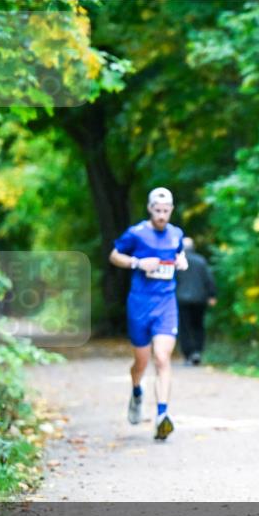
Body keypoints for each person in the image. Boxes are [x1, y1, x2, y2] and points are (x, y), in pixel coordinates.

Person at [109, 187, 188, 441]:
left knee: (162, 358)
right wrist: (137, 263)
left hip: (166, 303)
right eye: (158, 210)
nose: (162, 215)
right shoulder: (137, 233)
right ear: (150, 209)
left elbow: (179, 253)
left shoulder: (176, 233)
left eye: (166, 211)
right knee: (141, 363)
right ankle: (136, 391)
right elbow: (114, 255)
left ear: (171, 210)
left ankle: (162, 416)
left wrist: (182, 261)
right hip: (140, 304)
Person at [175, 237, 217, 365]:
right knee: (198, 326)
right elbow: (209, 279)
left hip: (182, 299)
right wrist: (212, 295)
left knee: (185, 328)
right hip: (199, 299)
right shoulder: (201, 261)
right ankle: (197, 351)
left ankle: (188, 354)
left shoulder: (177, 262)